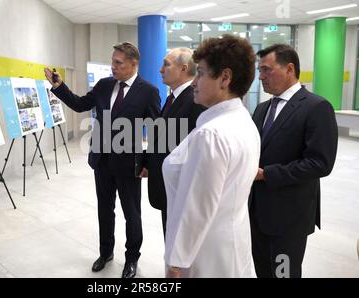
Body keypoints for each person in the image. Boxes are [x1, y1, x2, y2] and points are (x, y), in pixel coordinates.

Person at [45, 42, 161, 278]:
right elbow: (79, 104)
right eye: (112, 61)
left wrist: (148, 163)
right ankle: (106, 252)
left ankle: (131, 259)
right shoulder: (104, 85)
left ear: (133, 64)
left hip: (130, 166)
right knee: (104, 210)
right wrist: (59, 86)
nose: (113, 67)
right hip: (102, 161)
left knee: (132, 214)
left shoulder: (148, 91)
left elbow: (157, 129)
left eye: (118, 63)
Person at [163, 35, 260, 278]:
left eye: (202, 73)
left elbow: (196, 209)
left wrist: (176, 263)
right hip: (232, 242)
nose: (194, 82)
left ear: (225, 78)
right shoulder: (243, 121)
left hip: (204, 254)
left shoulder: (211, 135)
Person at [249, 44, 338, 278]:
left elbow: (320, 163)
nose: (261, 77)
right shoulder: (262, 109)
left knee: (283, 274)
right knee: (263, 272)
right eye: (260, 71)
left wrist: (267, 174)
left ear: (290, 69)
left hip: (289, 215)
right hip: (257, 212)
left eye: (267, 70)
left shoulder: (316, 107)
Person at [140, 48, 205, 238]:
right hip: (168, 189)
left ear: (184, 68)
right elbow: (165, 138)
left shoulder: (195, 101)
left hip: (181, 193)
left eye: (166, 65)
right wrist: (148, 162)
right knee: (170, 240)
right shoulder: (172, 98)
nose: (160, 70)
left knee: (179, 245)